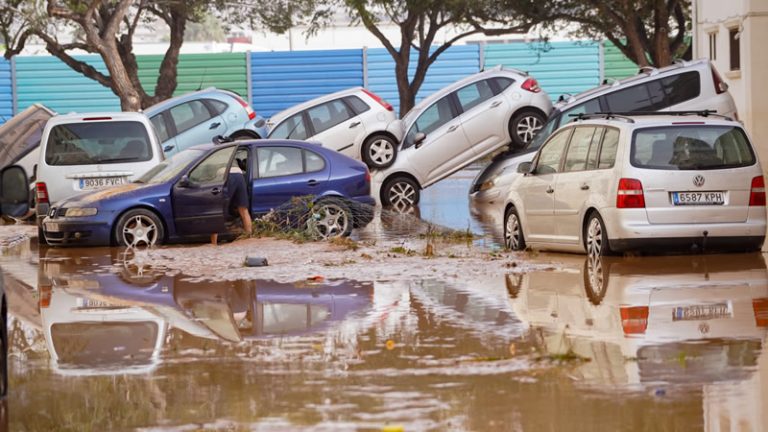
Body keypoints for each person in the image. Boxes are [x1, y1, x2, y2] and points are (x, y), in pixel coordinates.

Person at [211, 166, 253, 245]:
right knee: (243, 210)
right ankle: (249, 239)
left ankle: (213, 244)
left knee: (218, 209)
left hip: (225, 174)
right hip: (239, 174)